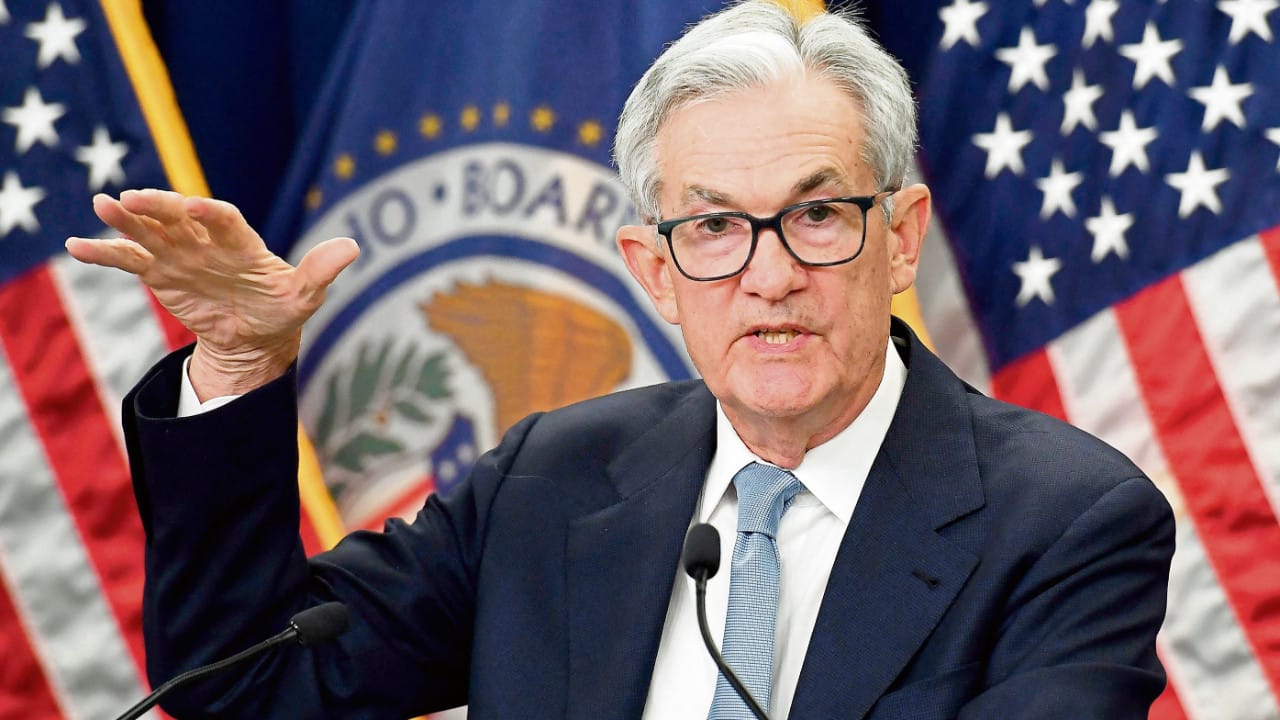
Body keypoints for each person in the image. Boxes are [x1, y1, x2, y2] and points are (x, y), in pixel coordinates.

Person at [68, 2, 1174, 718]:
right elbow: (252, 682)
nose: (770, 275)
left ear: (901, 237)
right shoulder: (551, 480)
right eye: (714, 227)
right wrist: (241, 359)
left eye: (817, 215)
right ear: (653, 270)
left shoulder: (1065, 522)